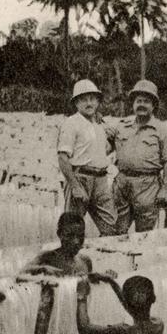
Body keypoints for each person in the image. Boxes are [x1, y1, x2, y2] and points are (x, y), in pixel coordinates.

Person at [108, 80, 167, 234]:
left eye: (146, 101)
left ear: (153, 106)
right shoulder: (121, 126)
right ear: (133, 104)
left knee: (145, 233)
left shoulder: (162, 130)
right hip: (122, 184)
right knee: (117, 230)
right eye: (138, 101)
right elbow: (104, 145)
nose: (142, 105)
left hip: (148, 186)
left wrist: (165, 189)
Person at [57, 80, 117, 236]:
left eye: (92, 99)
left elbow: (103, 150)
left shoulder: (100, 125)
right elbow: (63, 157)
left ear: (97, 101)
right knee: (72, 230)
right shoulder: (71, 124)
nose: (89, 103)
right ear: (76, 103)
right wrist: (75, 186)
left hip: (101, 180)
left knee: (110, 228)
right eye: (84, 99)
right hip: (80, 177)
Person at [20, 212, 93, 276]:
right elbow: (22, 272)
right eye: (70, 236)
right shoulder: (47, 257)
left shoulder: (85, 261)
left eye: (80, 235)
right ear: (60, 234)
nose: (76, 241)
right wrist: (42, 269)